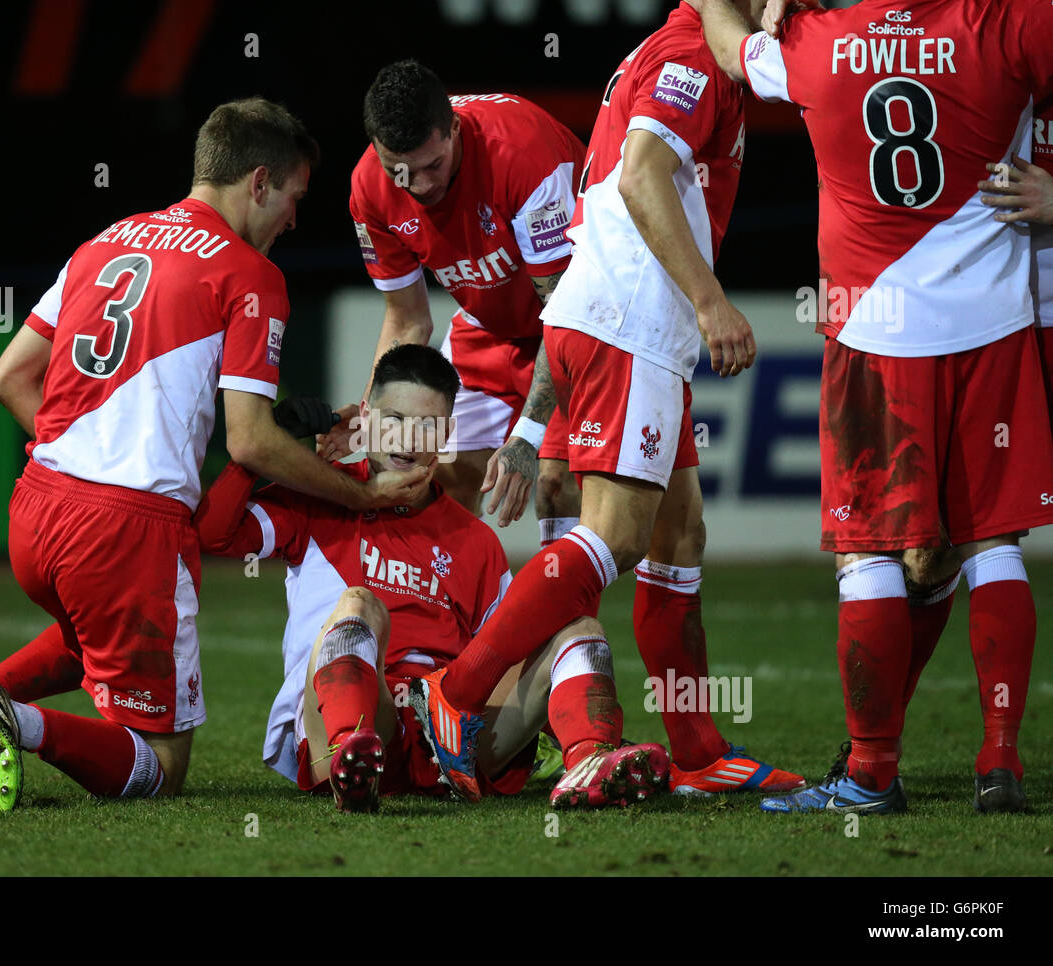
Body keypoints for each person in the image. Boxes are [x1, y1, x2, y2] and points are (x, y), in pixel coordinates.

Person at [0, 98, 428, 810]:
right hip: (124, 532)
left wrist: (81, 454)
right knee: (162, 766)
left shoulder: (106, 239)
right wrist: (362, 495)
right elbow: (251, 440)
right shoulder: (250, 275)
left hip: (36, 511)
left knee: (88, 635)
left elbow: (7, 377)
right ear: (258, 182)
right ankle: (17, 721)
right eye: (293, 198)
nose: (294, 219)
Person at [409, 0, 804, 803]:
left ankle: (696, 749)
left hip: (627, 320)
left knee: (679, 534)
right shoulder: (690, 56)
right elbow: (640, 173)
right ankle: (457, 694)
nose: (789, 7)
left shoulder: (688, 51)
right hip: (634, 318)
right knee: (615, 539)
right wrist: (708, 300)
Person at [693, 0, 1053, 813]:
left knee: (871, 556)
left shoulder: (820, 43)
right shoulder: (1009, 23)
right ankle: (1001, 762)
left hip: (874, 334)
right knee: (992, 546)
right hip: (994, 327)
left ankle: (871, 773)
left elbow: (725, 42)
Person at [196, 345, 669, 812]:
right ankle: (352, 756)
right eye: (395, 419)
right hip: (355, 721)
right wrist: (258, 450)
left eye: (428, 426)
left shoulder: (475, 541)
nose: (409, 438)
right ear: (364, 417)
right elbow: (214, 536)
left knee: (580, 631)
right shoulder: (319, 495)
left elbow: (510, 661)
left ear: (447, 436)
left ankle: (591, 760)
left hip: (452, 742)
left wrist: (566, 715)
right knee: (359, 603)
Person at [319, 60, 583, 536]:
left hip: (579, 326)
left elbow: (564, 313)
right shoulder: (369, 188)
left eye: (432, 166)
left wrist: (527, 435)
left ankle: (570, 610)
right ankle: (445, 608)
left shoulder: (522, 156)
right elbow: (406, 320)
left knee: (554, 482)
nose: (419, 188)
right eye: (401, 172)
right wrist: (370, 416)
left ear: (455, 129)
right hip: (488, 328)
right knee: (432, 474)